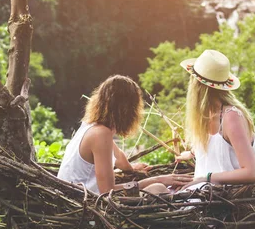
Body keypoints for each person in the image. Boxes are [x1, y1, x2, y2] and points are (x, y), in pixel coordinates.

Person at [57, 75, 191, 194]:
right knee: (158, 188)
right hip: (86, 204)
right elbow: (107, 191)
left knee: (157, 187)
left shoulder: (92, 127)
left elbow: (119, 158)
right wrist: (157, 179)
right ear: (127, 109)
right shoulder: (101, 134)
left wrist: (132, 168)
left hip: (76, 198)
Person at [177, 50, 255, 188]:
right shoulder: (205, 116)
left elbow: (251, 173)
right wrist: (192, 153)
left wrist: (206, 178)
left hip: (225, 195)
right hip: (205, 192)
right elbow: (219, 147)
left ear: (196, 85)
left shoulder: (231, 117)